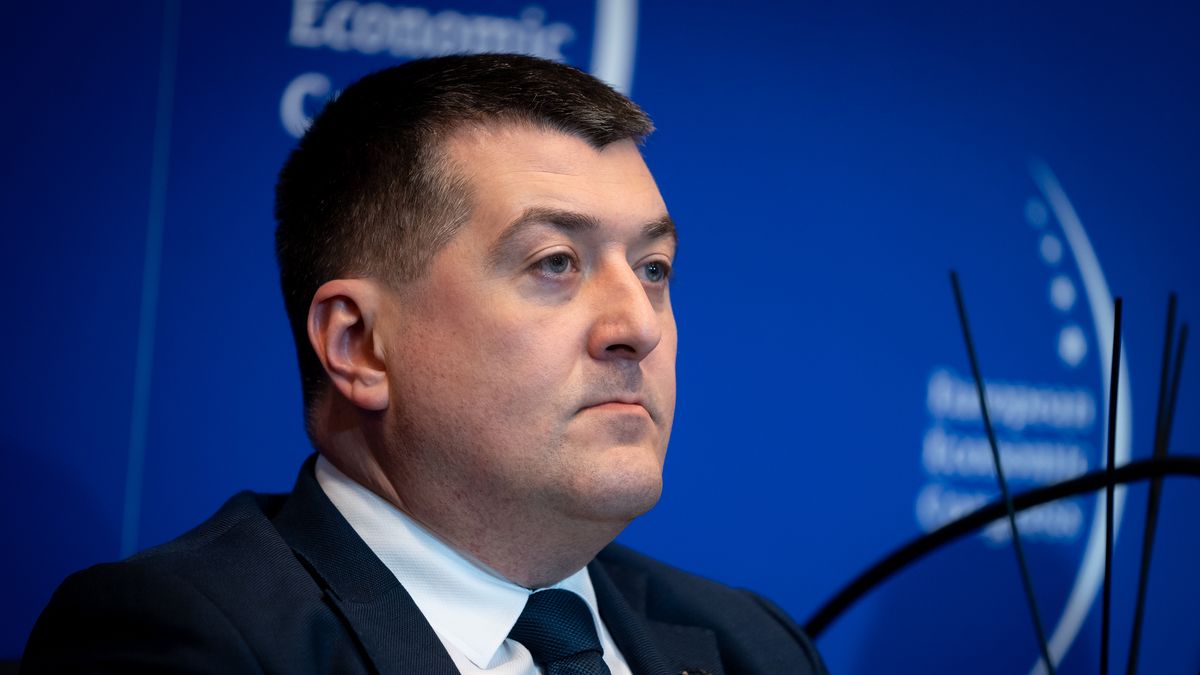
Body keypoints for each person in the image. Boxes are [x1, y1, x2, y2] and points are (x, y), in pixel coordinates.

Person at [23, 54, 827, 674]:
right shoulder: (185, 636)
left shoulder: (753, 643)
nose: (638, 326)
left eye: (653, 268)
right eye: (554, 261)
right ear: (358, 345)